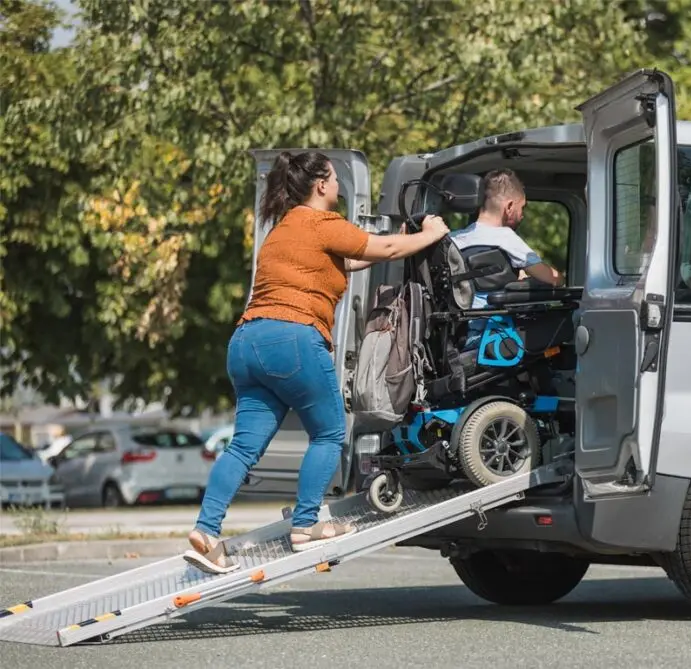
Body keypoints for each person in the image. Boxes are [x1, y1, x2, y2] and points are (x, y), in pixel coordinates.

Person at [184, 150, 449, 575]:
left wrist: (399, 242)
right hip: (294, 338)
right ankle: (306, 525)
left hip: (247, 342)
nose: (339, 187)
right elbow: (382, 246)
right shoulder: (323, 222)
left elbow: (357, 257)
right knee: (328, 433)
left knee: (243, 447)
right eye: (334, 180)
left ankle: (206, 532)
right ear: (322, 185)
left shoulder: (282, 230)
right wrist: (429, 234)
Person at [449, 168, 564, 346]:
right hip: (492, 336)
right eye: (522, 208)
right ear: (509, 207)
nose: (523, 215)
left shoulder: (452, 240)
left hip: (456, 335)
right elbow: (554, 279)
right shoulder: (506, 238)